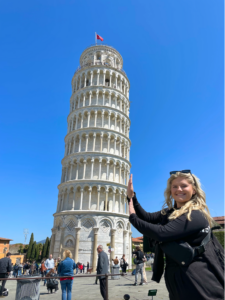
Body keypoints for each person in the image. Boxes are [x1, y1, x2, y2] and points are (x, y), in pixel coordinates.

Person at [127, 172, 225, 300]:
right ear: (170, 190)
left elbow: (161, 233)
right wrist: (132, 197)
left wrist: (132, 217)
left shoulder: (196, 215)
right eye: (175, 186)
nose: (179, 189)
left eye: (184, 186)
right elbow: (146, 217)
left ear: (194, 190)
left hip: (197, 278)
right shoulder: (170, 212)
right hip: (176, 277)